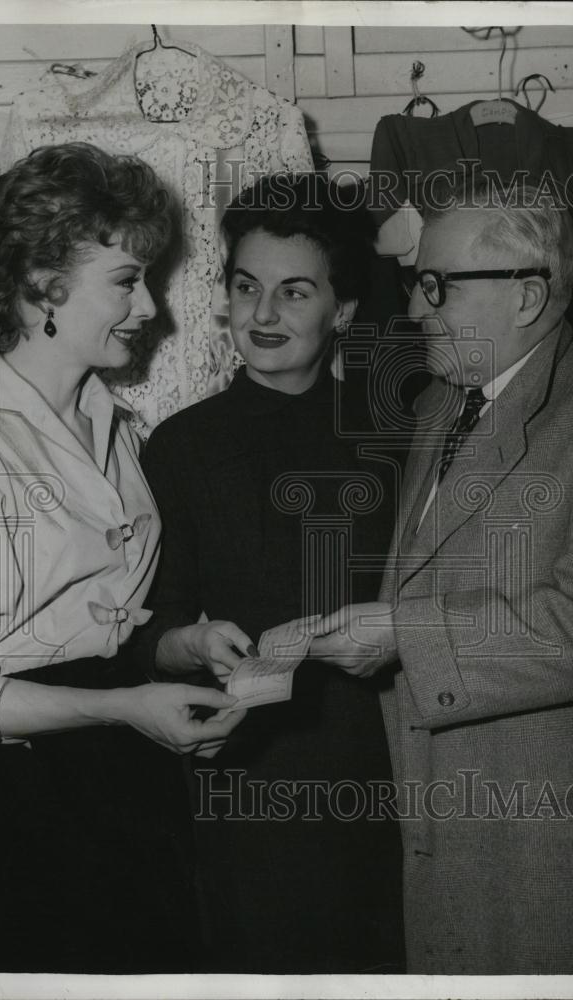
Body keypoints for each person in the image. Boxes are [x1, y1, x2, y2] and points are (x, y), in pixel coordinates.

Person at [311, 180, 573, 974]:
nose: (415, 307)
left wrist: (403, 634)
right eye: (416, 281)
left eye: (436, 285)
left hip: (557, 852)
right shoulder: (439, 407)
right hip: (450, 828)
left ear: (526, 295)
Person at [0, 142, 252, 973]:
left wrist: (182, 647)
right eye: (126, 280)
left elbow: (108, 629)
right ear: (44, 281)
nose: (149, 305)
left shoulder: (117, 429)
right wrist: (122, 708)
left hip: (131, 779)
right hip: (30, 801)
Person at [139, 173, 405, 974]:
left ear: (343, 310)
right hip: (244, 779)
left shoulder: (396, 442)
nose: (262, 314)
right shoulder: (179, 448)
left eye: (294, 292)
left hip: (387, 773)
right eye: (246, 286)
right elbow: (150, 634)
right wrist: (191, 645)